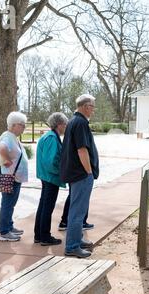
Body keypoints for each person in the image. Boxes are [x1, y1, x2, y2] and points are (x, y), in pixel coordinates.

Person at [60, 94, 99, 258]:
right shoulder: (81, 122)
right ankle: (72, 246)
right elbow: (82, 150)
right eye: (92, 106)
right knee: (77, 211)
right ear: (85, 106)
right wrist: (89, 171)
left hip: (76, 173)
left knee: (78, 210)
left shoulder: (73, 122)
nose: (94, 110)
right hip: (81, 174)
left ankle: (77, 239)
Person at [34, 112, 68, 246]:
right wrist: (61, 172)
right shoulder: (52, 138)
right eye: (65, 124)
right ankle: (45, 237)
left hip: (46, 176)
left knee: (43, 206)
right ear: (59, 124)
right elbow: (51, 162)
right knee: (47, 207)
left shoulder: (48, 136)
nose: (66, 127)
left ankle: (39, 235)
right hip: (50, 177)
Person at [0, 111, 29, 242]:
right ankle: (4, 231)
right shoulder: (7, 137)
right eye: (22, 125)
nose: (24, 128)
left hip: (14, 177)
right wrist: (5, 159)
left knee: (10, 203)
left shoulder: (11, 136)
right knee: (7, 204)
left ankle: (9, 226)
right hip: (10, 177)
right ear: (14, 125)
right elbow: (2, 147)